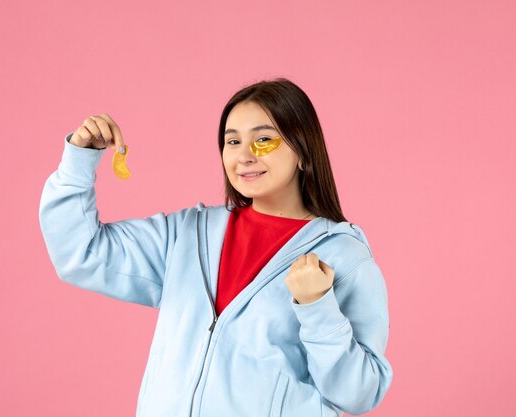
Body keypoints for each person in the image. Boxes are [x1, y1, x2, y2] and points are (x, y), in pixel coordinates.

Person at [38, 78, 393, 417]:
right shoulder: (186, 234)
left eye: (263, 139)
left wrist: (317, 308)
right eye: (232, 141)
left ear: (302, 151)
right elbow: (81, 252)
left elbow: (359, 392)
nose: (244, 156)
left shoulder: (343, 257)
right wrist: (78, 163)